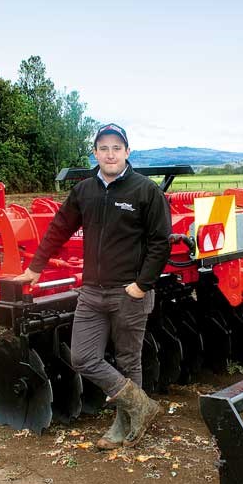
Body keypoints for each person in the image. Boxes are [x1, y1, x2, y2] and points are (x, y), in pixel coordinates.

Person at [15, 123, 171, 449]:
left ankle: (124, 425)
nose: (110, 154)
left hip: (129, 293)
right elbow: (58, 229)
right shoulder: (84, 191)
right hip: (92, 292)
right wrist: (35, 269)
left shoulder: (145, 191)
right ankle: (139, 406)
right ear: (96, 153)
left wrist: (142, 286)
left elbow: (160, 243)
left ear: (127, 152)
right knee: (83, 358)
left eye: (117, 148)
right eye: (104, 148)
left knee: (129, 361)